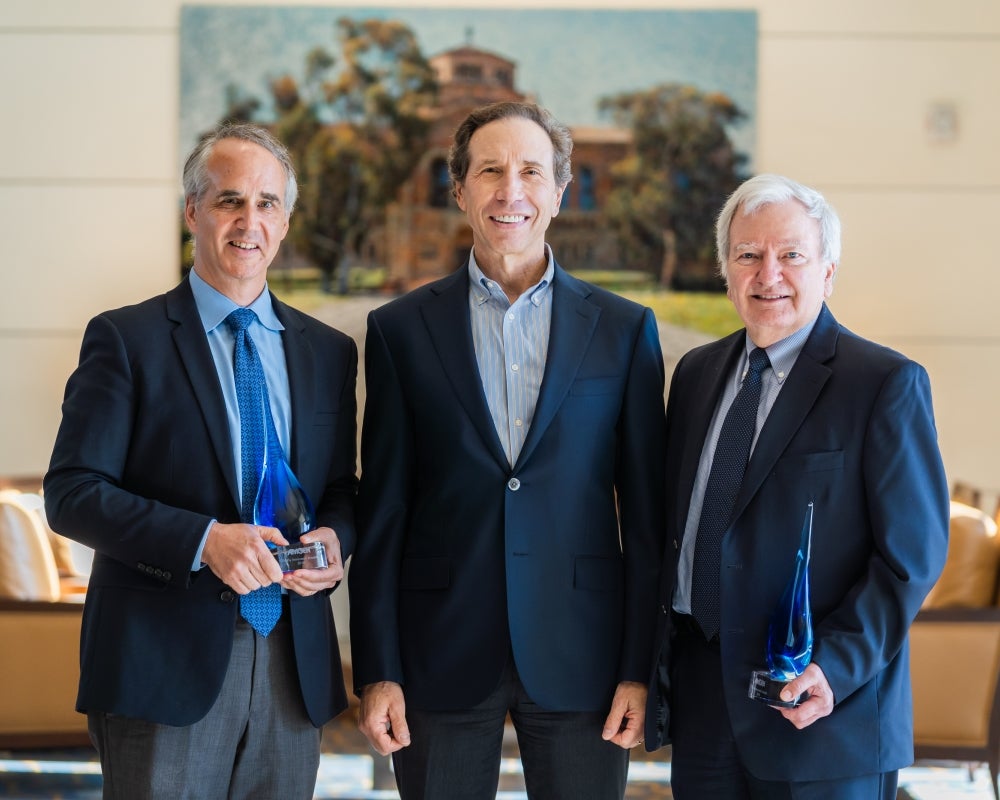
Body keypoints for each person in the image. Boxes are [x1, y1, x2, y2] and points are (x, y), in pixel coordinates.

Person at [348, 100, 667, 799]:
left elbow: (647, 523)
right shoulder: (399, 331)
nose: (510, 190)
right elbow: (384, 512)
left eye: (530, 171)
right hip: (440, 649)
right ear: (458, 189)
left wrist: (642, 667)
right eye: (490, 170)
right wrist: (378, 668)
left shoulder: (624, 330)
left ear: (559, 188)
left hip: (586, 656)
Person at [43, 122, 358, 799]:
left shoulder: (328, 352)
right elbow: (71, 493)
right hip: (162, 663)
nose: (250, 221)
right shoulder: (126, 339)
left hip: (291, 666)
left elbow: (340, 489)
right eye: (229, 200)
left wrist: (335, 538)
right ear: (193, 212)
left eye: (268, 203)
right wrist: (204, 541)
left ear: (287, 219)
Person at [644, 173, 950, 799]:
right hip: (705, 708)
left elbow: (910, 560)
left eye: (791, 256)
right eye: (748, 256)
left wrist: (833, 668)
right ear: (725, 270)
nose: (768, 275)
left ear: (828, 270)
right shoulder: (697, 375)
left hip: (821, 710)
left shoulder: (883, 384)